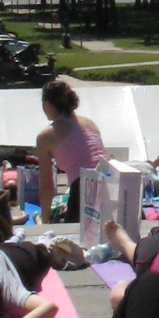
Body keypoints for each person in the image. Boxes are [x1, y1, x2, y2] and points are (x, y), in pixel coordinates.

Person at [35, 80, 104, 221]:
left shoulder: (46, 136)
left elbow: (47, 187)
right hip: (111, 180)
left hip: (84, 189)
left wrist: (44, 222)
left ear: (47, 105)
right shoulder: (90, 123)